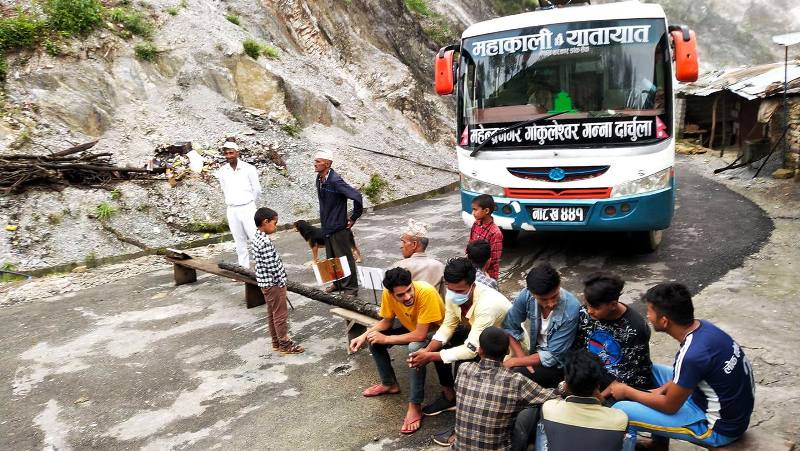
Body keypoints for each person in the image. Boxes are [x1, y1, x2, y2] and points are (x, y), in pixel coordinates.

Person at [609, 283, 755, 450]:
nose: (647, 316)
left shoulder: (692, 355)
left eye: (649, 312)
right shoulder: (704, 328)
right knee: (649, 371)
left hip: (717, 428)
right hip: (723, 405)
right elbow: (695, 372)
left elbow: (670, 406)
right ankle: (658, 445)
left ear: (664, 321)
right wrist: (662, 388)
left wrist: (627, 391)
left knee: (620, 410)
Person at [407, 257, 511, 446]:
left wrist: (430, 356)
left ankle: (463, 427)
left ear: (472, 285)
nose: (453, 294)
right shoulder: (452, 293)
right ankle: (449, 396)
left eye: (460, 291)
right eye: (450, 289)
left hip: (503, 348)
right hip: (477, 337)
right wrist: (427, 351)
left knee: (465, 367)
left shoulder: (488, 305)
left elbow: (471, 350)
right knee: (438, 346)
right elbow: (448, 326)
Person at [349, 268, 447, 434]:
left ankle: (415, 405)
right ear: (391, 293)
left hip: (437, 332)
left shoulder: (426, 292)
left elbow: (420, 335)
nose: (407, 297)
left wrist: (386, 339)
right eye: (400, 295)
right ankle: (389, 384)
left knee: (415, 349)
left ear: (412, 284)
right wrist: (365, 335)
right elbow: (386, 322)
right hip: (413, 327)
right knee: (374, 339)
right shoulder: (388, 294)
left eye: (409, 290)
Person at [454, 327, 556, 451]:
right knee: (534, 406)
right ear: (507, 351)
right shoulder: (515, 381)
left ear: (480, 350)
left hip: (459, 448)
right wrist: (562, 386)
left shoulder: (463, 369)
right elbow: (551, 396)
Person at [503, 263, 581, 388]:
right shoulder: (526, 295)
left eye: (555, 296)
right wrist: (522, 359)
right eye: (543, 299)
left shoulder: (571, 309)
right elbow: (509, 327)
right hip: (534, 355)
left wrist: (516, 361)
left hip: (559, 365)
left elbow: (553, 355)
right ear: (532, 293)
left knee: (514, 376)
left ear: (559, 285)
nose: (551, 303)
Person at [574, 272, 653, 391]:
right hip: (590, 376)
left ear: (613, 305)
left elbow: (631, 376)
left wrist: (600, 397)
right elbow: (577, 349)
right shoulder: (585, 313)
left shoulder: (635, 329)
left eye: (595, 307)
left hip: (623, 388)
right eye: (587, 305)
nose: (589, 311)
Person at [536, 350, 628, 451]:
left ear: (566, 383)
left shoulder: (549, 409)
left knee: (542, 422)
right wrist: (603, 401)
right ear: (598, 384)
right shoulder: (620, 418)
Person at [251, 207, 304, 354]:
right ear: (265, 222)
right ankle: (285, 345)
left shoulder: (256, 237)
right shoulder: (265, 242)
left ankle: (276, 342)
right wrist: (282, 283)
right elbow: (272, 267)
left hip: (265, 283)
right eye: (274, 223)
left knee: (272, 313)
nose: (276, 226)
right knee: (281, 315)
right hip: (273, 284)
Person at [314, 149, 363, 296]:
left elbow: (357, 196)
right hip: (327, 226)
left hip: (338, 227)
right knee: (332, 258)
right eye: (315, 161)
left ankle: (351, 289)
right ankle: (337, 284)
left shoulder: (335, 181)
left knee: (344, 258)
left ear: (328, 164)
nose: (315, 164)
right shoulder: (320, 178)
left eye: (318, 161)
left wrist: (354, 216)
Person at [215, 140, 262, 267]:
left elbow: (257, 189)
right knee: (239, 241)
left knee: (254, 239)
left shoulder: (249, 169)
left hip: (248, 207)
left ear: (237, 153)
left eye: (231, 153)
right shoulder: (223, 171)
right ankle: (244, 268)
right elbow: (224, 188)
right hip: (232, 209)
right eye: (226, 153)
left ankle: (261, 268)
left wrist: (248, 201)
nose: (229, 156)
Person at [392, 219, 446, 297]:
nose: (401, 246)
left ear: (414, 244)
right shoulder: (439, 266)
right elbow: (444, 299)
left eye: (404, 242)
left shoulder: (398, 267)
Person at [469, 194, 503, 280]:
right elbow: (470, 244)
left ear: (486, 210)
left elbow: (494, 259)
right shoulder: (476, 224)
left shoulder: (495, 233)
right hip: (473, 270)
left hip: (488, 274)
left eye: (475, 209)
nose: (473, 213)